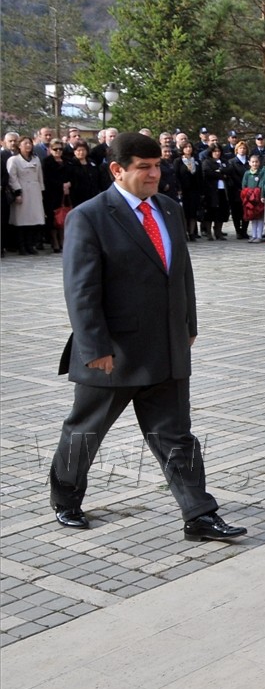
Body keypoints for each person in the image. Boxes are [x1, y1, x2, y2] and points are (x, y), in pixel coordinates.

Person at [48, 133, 247, 541]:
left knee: (176, 435)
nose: (154, 173)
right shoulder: (89, 216)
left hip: (167, 348)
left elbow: (181, 275)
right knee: (85, 431)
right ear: (117, 170)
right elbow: (81, 290)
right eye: (144, 167)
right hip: (114, 353)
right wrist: (95, 347)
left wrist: (188, 326)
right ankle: (65, 498)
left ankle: (199, 515)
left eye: (157, 165)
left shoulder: (169, 209)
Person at [7, 136, 47, 254]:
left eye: (29, 143)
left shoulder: (36, 159)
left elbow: (40, 176)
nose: (28, 146)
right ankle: (21, 246)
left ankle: (30, 245)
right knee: (21, 220)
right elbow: (12, 177)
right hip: (22, 190)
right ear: (19, 146)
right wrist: (17, 192)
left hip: (35, 190)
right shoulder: (14, 160)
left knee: (33, 220)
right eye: (25, 143)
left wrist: (41, 190)